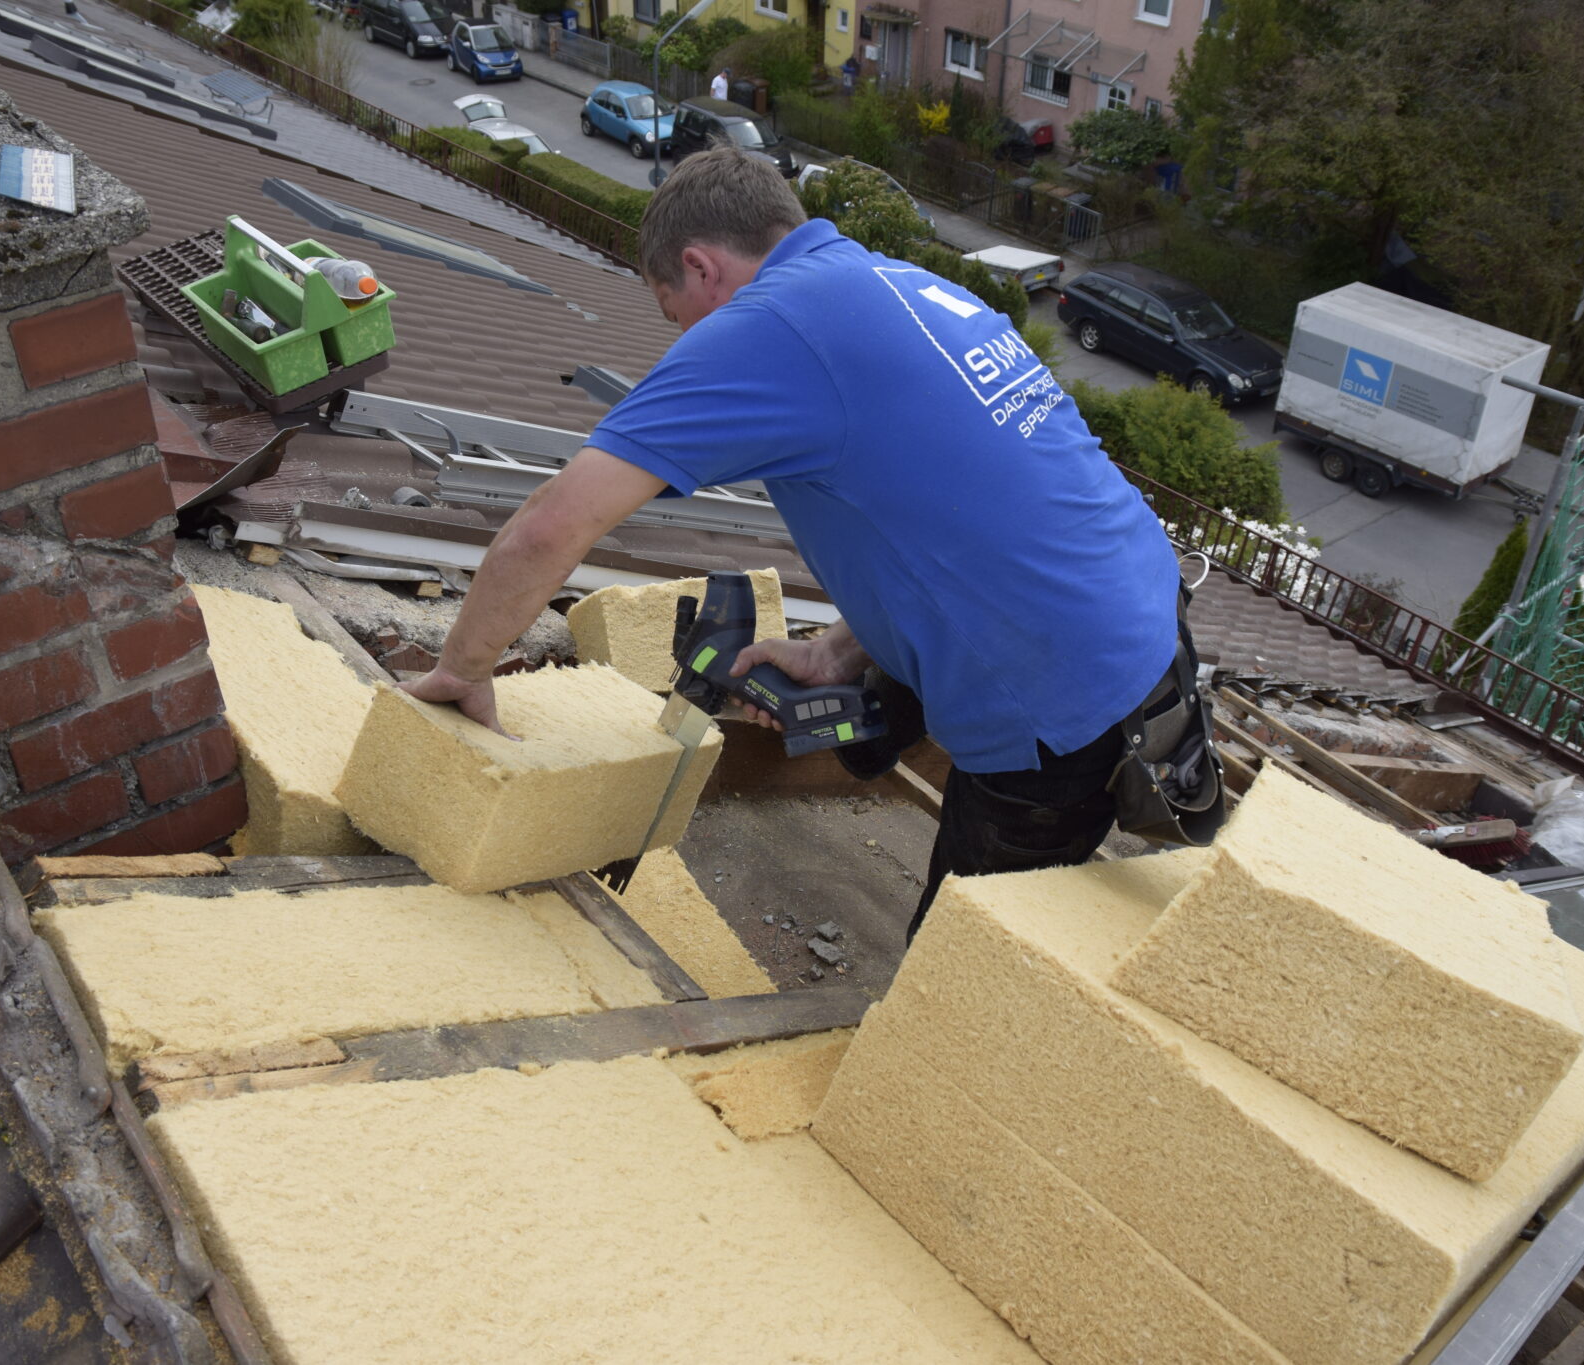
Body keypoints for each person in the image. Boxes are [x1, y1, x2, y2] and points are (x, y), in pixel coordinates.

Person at [402, 149, 1189, 941]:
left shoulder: (769, 324)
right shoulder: (905, 286)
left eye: (673, 314)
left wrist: (464, 668)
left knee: (957, 986)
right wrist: (841, 652)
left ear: (700, 267)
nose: (682, 337)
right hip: (1144, 617)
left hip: (1060, 697)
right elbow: (972, 516)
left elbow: (551, 525)